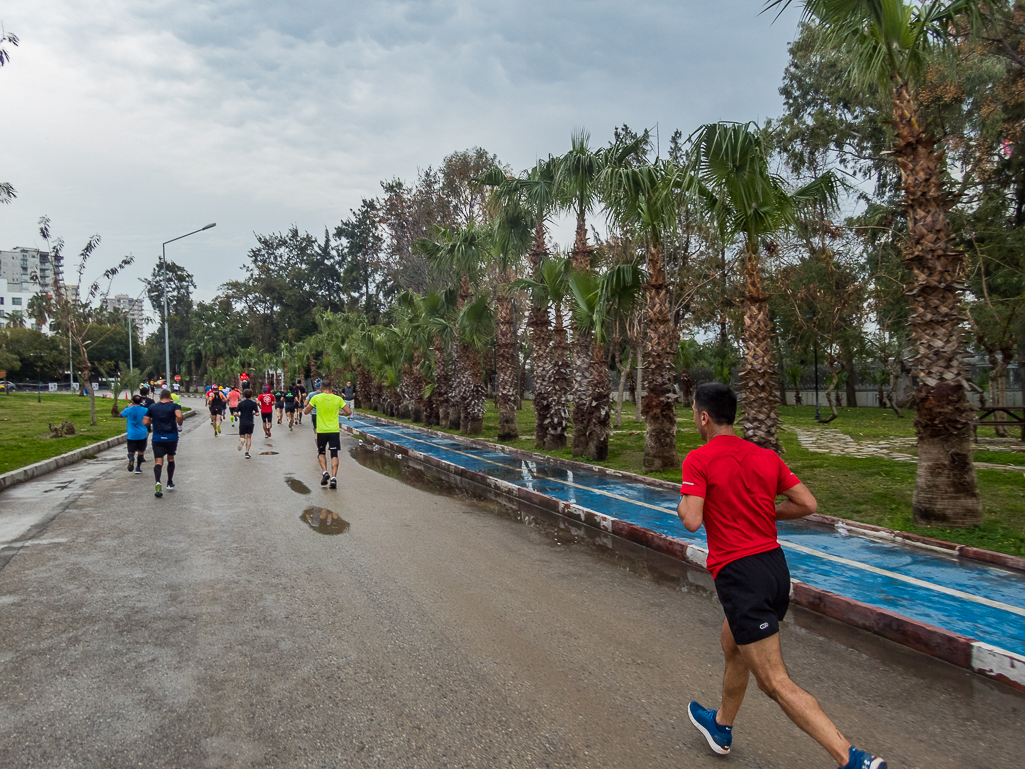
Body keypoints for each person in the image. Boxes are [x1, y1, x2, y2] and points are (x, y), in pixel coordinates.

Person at [678, 383, 886, 769]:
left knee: (774, 682)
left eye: (693, 412)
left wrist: (684, 503)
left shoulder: (699, 459)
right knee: (734, 644)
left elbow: (691, 520)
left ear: (703, 416)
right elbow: (806, 503)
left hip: (741, 575)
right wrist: (759, 511)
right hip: (775, 570)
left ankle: (852, 758)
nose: (694, 418)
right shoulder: (765, 456)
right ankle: (721, 726)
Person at [303, 378, 349, 489]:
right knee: (334, 454)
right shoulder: (337, 399)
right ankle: (333, 478)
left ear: (321, 388)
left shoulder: (316, 398)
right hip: (334, 430)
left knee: (321, 452)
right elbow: (349, 412)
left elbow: (305, 411)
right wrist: (341, 414)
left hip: (321, 430)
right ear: (332, 388)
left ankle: (325, 472)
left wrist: (313, 408)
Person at [143, 389, 183, 498]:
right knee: (170, 459)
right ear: (170, 397)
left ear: (160, 397)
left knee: (158, 461)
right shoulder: (174, 406)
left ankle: (157, 482)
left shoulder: (152, 407)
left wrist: (154, 420)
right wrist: (179, 425)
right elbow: (179, 416)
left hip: (158, 438)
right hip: (171, 438)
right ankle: (169, 482)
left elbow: (145, 422)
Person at [121, 394, 148, 473]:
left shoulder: (128, 410)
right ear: (141, 401)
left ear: (132, 401)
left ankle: (131, 457)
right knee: (141, 452)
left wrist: (128, 407)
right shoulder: (145, 410)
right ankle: (138, 468)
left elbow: (121, 415)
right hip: (142, 434)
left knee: (131, 451)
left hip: (131, 434)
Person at [136, 385, 156, 470]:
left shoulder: (137, 400)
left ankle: (137, 452)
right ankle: (141, 454)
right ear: (147, 393)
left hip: (137, 421)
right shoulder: (151, 401)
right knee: (144, 439)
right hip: (146, 421)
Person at [236, 388, 259, 458]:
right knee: (249, 437)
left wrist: (239, 416)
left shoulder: (241, 404)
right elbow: (257, 413)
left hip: (242, 421)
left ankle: (242, 440)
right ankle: (247, 452)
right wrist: (254, 414)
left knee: (242, 436)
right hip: (250, 422)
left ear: (244, 395)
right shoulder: (253, 404)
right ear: (251, 395)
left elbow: (235, 413)